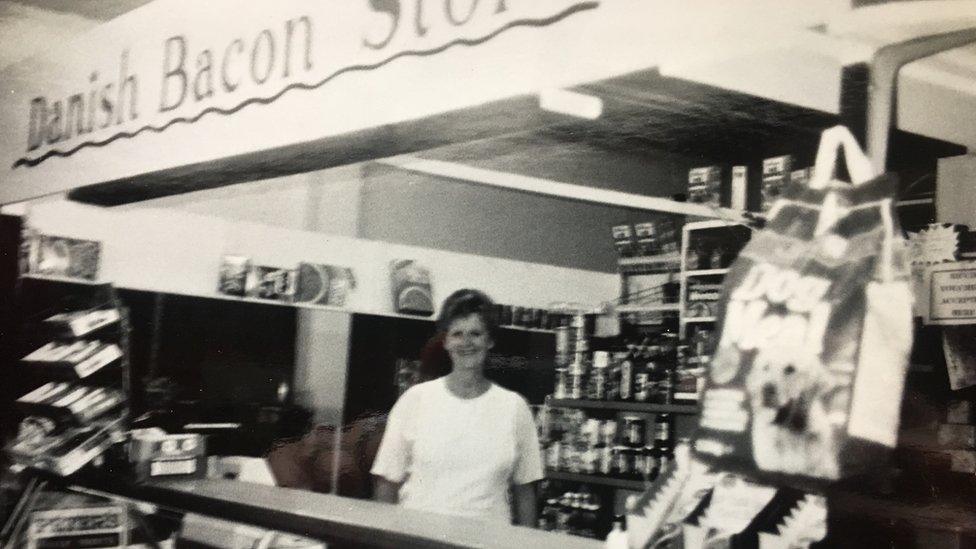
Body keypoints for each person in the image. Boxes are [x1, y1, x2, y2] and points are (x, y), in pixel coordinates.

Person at [370, 289, 543, 526]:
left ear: (490, 340)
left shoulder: (515, 408)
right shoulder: (415, 400)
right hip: (418, 540)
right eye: (457, 334)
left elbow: (525, 491)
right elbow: (387, 483)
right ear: (446, 341)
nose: (466, 343)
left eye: (476, 333)